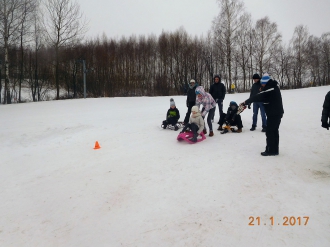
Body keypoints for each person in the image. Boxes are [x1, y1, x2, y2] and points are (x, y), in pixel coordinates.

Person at [241, 73, 284, 156]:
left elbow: (258, 96)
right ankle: (275, 150)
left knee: (270, 132)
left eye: (262, 83)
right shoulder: (273, 87)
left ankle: (270, 151)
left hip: (274, 113)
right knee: (274, 131)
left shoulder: (270, 89)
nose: (261, 84)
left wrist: (246, 102)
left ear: (265, 82)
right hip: (276, 113)